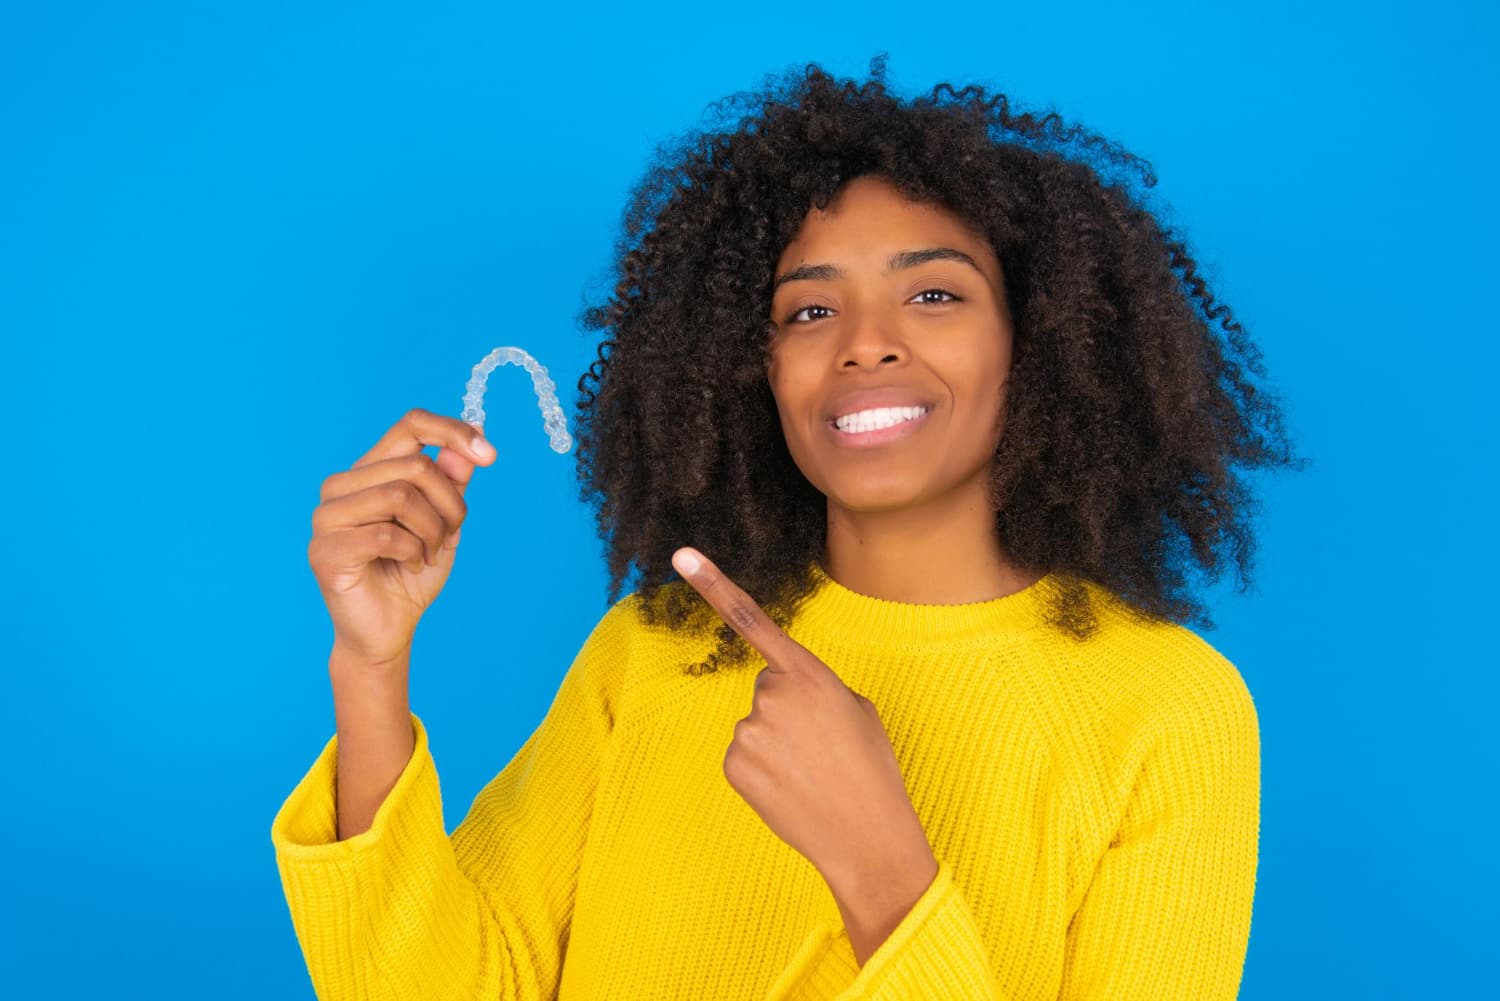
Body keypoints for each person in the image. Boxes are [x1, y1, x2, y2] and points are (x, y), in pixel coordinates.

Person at [272, 55, 1304, 1000]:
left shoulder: (1171, 709)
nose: (864, 346)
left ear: (1036, 346)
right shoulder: (653, 653)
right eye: (809, 312)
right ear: (748, 368)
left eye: (934, 293)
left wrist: (884, 869)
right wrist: (370, 667)